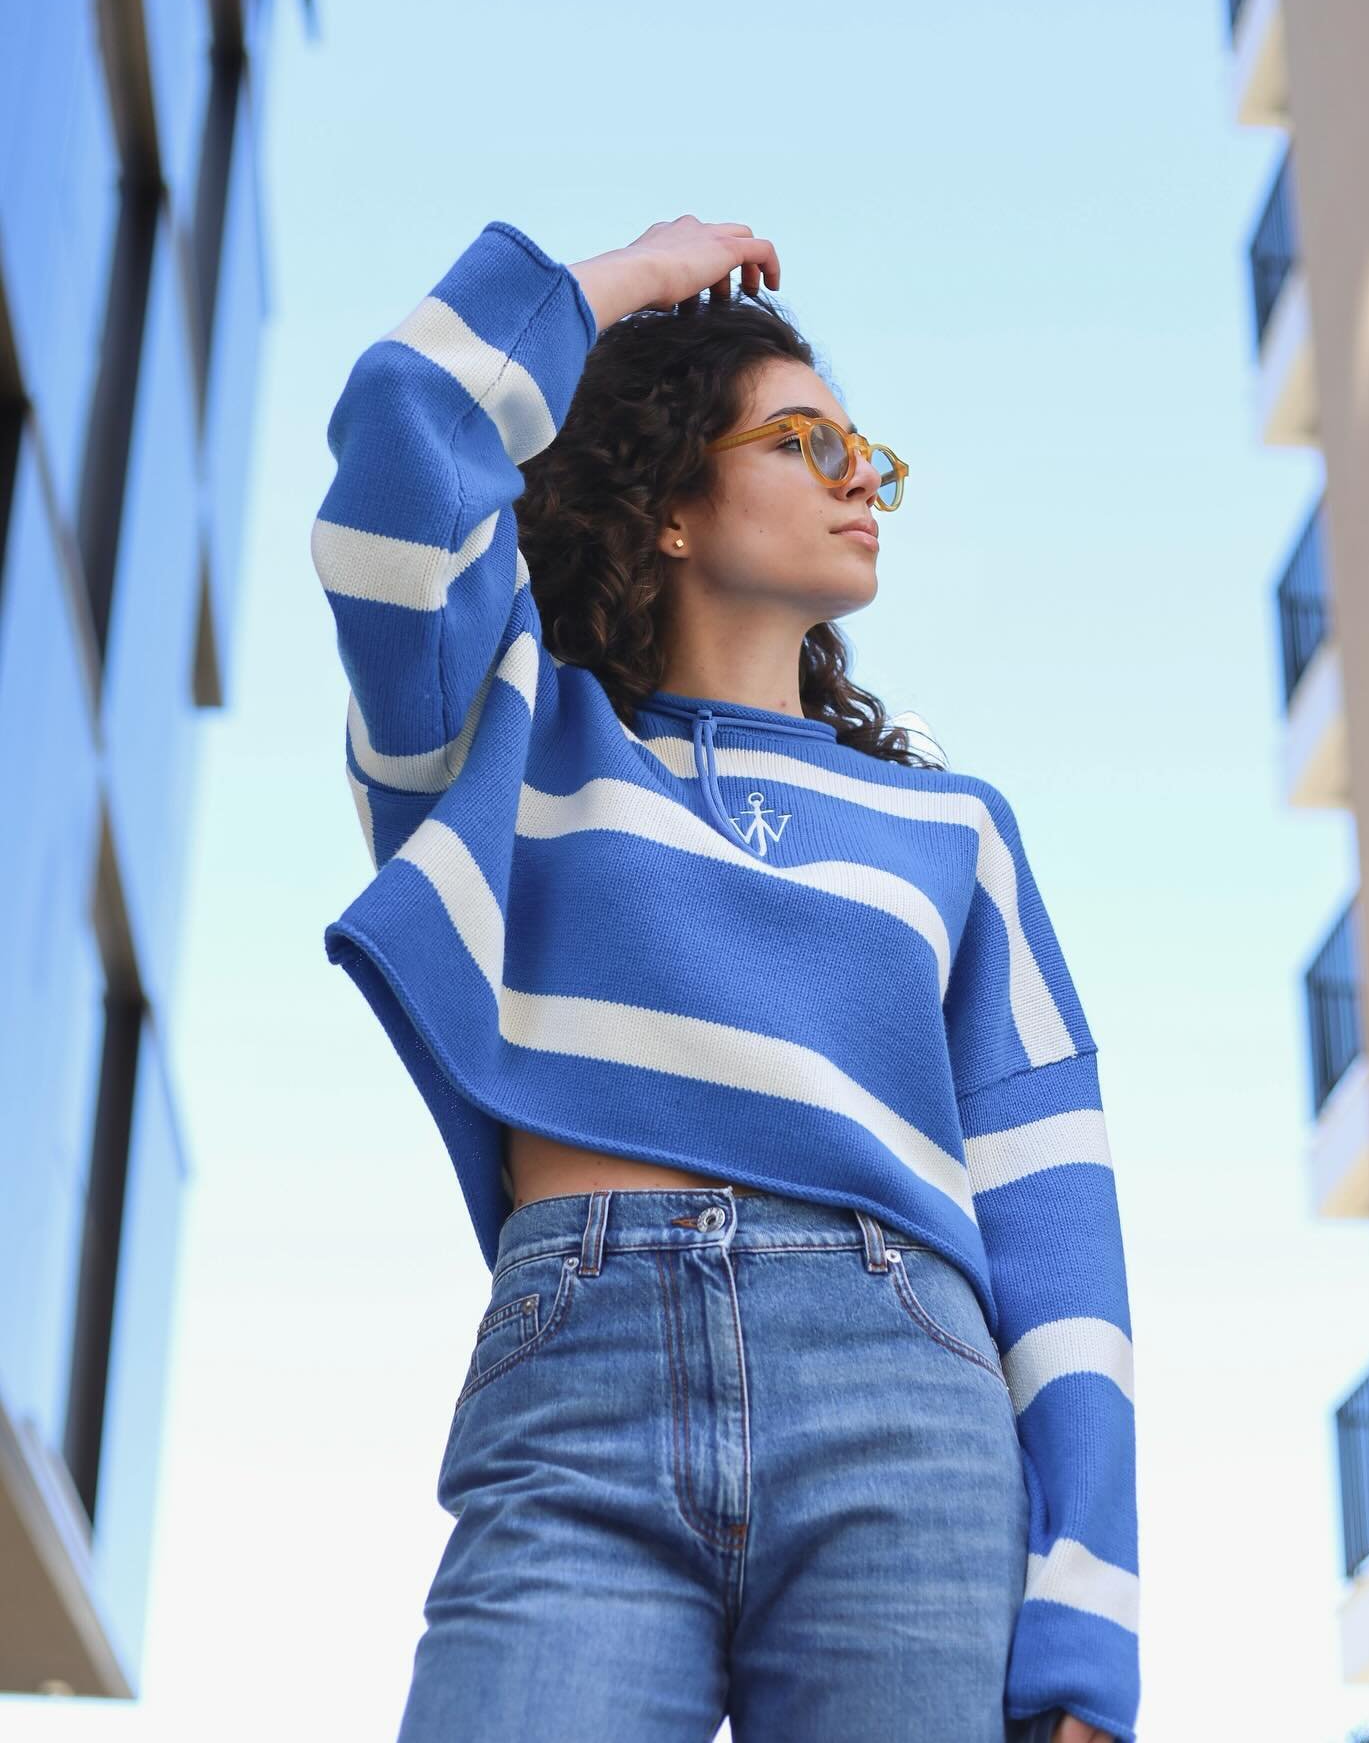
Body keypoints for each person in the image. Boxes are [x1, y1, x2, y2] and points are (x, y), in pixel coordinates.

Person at [311, 215, 1139, 1743]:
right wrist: (626, 283)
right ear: (672, 502)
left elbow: (1057, 1225)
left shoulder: (954, 831)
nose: (857, 479)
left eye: (863, 450)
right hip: (580, 1386)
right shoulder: (504, 741)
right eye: (801, 439)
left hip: (909, 1400)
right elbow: (399, 441)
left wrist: (1086, 1618)